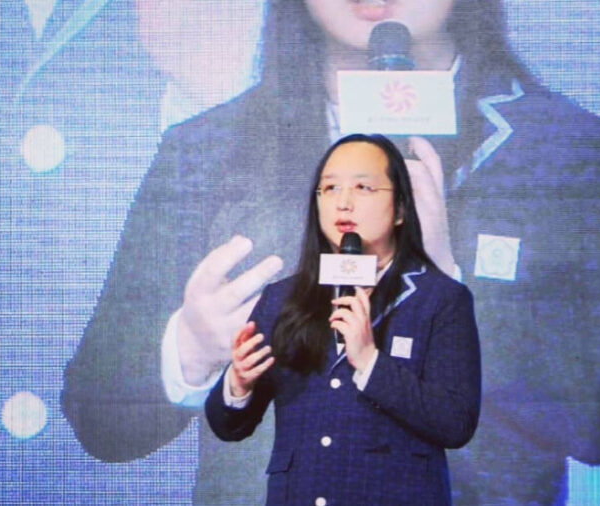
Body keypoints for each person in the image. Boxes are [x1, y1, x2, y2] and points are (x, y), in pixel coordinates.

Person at [62, 1, 600, 504]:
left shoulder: (562, 151)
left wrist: (454, 292)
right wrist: (189, 352)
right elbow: (100, 417)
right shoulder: (206, 151)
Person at [205, 133, 481, 505]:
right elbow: (228, 427)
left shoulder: (441, 300)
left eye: (363, 187)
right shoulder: (282, 299)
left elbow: (455, 422)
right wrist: (238, 384)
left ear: (400, 209)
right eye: (330, 188)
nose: (344, 203)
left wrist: (370, 361)